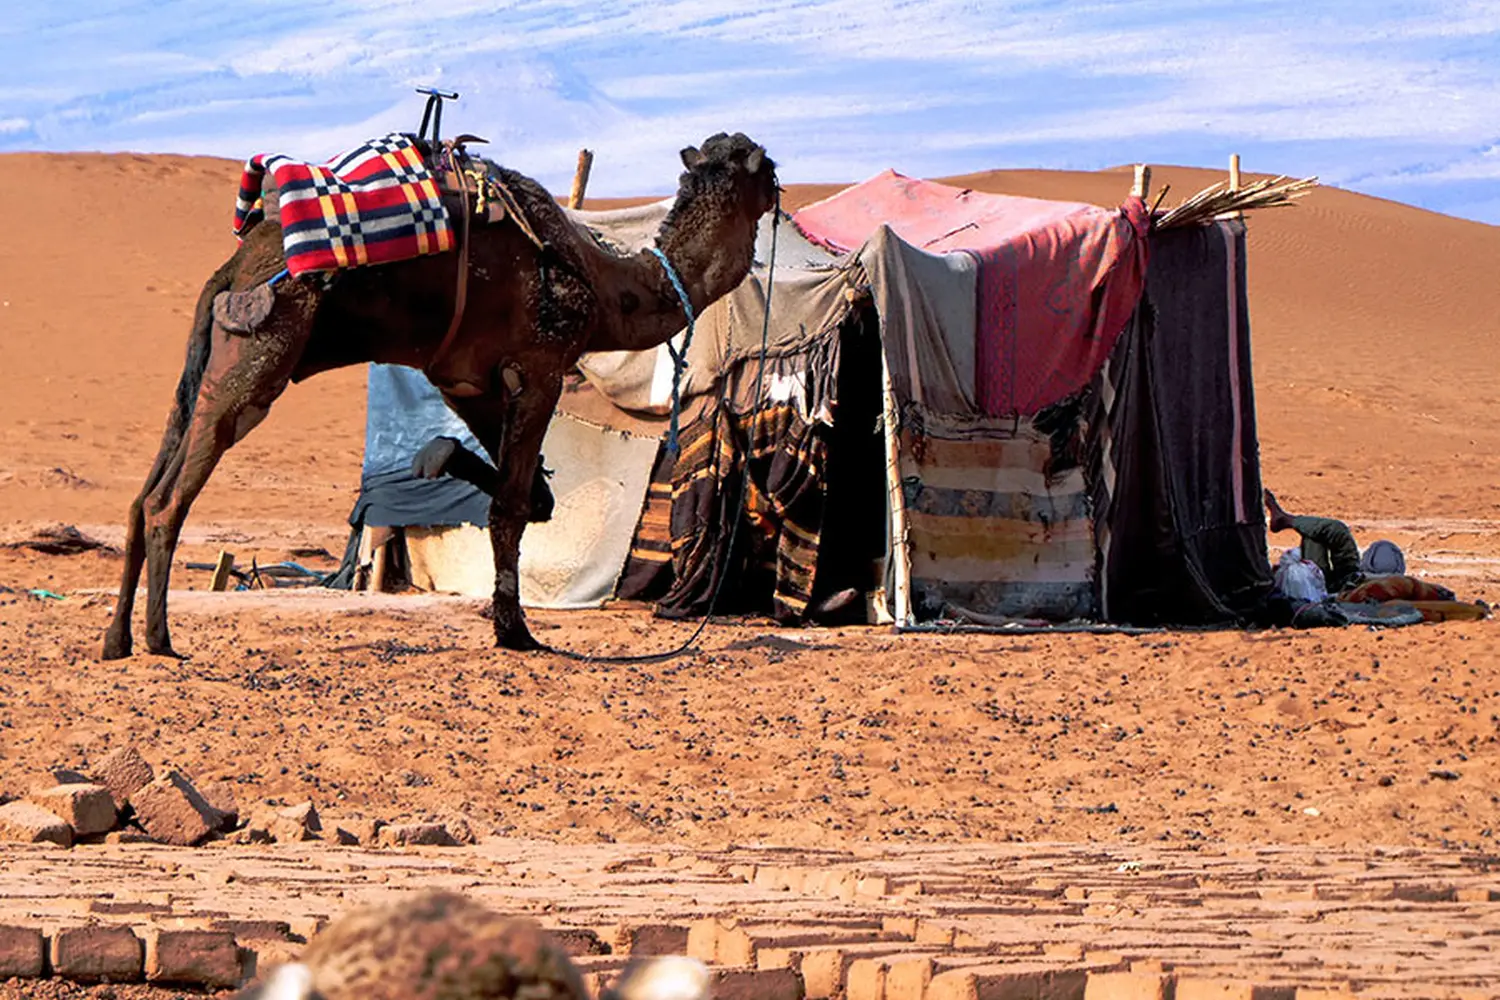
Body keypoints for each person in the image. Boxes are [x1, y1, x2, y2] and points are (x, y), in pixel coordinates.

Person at [1264, 489, 1365, 593]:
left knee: (1315, 536)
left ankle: (1286, 519)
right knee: (1329, 531)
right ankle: (1286, 519)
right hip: (1353, 578)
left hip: (1343, 589)